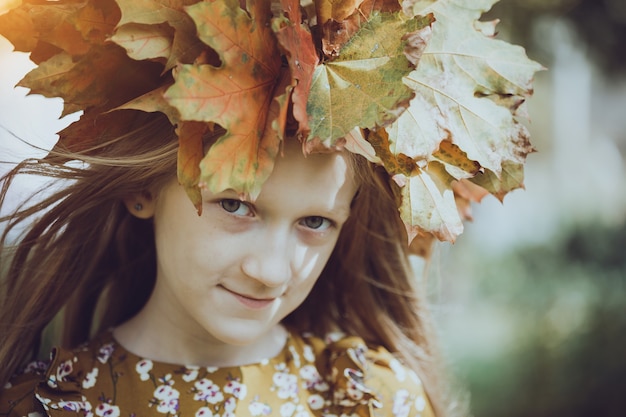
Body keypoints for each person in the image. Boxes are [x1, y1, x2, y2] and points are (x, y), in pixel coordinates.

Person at [0, 1, 540, 416]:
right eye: (235, 204)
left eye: (314, 222)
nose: (270, 270)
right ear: (142, 190)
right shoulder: (49, 407)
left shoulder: (370, 400)